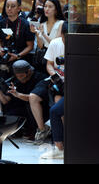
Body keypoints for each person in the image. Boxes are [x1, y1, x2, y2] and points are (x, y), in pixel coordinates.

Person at [0, 60, 50, 141]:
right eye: (17, 76)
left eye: (21, 76)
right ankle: (19, 131)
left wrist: (17, 94)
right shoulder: (15, 80)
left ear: (29, 71)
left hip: (40, 110)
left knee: (29, 105)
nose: (19, 78)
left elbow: (32, 98)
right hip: (22, 109)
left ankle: (38, 130)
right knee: (10, 113)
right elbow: (5, 101)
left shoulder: (41, 78)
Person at [40, 22, 68, 159]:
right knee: (55, 108)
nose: (66, 40)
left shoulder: (81, 46)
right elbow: (49, 64)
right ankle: (59, 148)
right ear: (61, 34)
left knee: (56, 110)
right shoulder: (56, 43)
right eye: (64, 37)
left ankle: (62, 147)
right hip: (59, 85)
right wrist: (55, 76)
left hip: (79, 88)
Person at [0, 0, 35, 74]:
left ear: (19, 8)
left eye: (13, 6)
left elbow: (30, 46)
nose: (9, 9)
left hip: (21, 60)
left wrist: (18, 56)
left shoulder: (25, 24)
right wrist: (0, 50)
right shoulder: (1, 23)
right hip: (5, 58)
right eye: (7, 6)